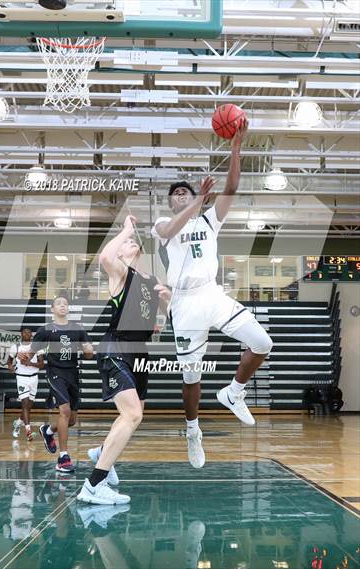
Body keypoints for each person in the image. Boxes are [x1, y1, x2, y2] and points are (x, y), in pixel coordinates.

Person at [151, 119, 273, 468]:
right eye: (175, 194)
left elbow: (231, 188)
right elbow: (172, 226)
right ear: (171, 202)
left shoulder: (207, 222)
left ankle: (234, 392)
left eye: (185, 192)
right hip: (184, 303)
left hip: (212, 295)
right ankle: (193, 431)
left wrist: (235, 147)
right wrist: (197, 200)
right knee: (191, 377)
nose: (180, 196)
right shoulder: (163, 225)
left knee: (262, 342)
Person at [77, 215, 170, 505]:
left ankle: (102, 450)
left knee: (135, 415)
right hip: (115, 346)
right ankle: (93, 485)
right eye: (126, 242)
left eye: (132, 240)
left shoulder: (152, 282)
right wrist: (126, 228)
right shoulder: (120, 273)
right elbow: (105, 255)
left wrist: (167, 301)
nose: (131, 242)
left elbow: (166, 321)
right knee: (132, 414)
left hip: (139, 350)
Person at [22, 295, 94, 473]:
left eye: (65, 304)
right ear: (53, 310)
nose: (63, 306)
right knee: (65, 411)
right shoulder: (46, 330)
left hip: (73, 374)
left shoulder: (78, 329)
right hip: (55, 373)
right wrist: (24, 356)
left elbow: (89, 354)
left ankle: (48, 430)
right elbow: (30, 353)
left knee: (71, 420)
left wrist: (88, 350)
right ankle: (63, 457)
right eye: (59, 304)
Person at [8, 327, 44, 441]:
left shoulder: (37, 347)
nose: (27, 334)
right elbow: (9, 361)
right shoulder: (16, 347)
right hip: (21, 378)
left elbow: (42, 364)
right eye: (24, 332)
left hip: (34, 378)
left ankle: (18, 423)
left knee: (28, 406)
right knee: (25, 403)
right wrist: (10, 367)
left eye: (29, 333)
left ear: (31, 335)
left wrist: (29, 363)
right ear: (21, 334)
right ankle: (28, 432)